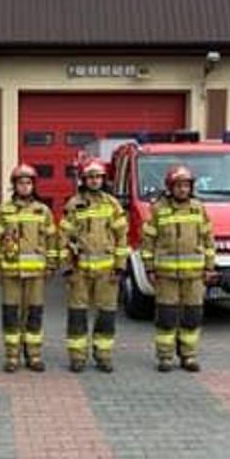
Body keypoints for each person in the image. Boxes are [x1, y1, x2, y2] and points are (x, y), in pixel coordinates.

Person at [139, 165, 216, 372]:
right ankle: (165, 357)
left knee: (192, 317)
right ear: (170, 187)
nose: (183, 190)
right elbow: (148, 242)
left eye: (186, 185)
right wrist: (149, 268)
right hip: (166, 275)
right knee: (166, 317)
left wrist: (209, 267)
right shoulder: (158, 210)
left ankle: (189, 356)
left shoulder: (198, 208)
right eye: (179, 186)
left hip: (195, 275)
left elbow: (208, 239)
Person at [58, 159, 128, 372]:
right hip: (79, 271)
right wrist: (67, 267)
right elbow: (63, 238)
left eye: (98, 177)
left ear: (104, 179)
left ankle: (103, 356)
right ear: (83, 179)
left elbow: (121, 238)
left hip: (107, 272)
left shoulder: (112, 205)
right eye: (90, 177)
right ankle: (77, 357)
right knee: (77, 314)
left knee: (106, 314)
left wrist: (119, 267)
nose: (94, 181)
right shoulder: (73, 205)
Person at [0, 163, 58, 372]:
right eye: (21, 183)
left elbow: (52, 240)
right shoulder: (3, 211)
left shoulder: (43, 211)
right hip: (10, 272)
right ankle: (12, 357)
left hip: (36, 273)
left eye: (28, 183)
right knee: (11, 314)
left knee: (34, 314)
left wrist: (51, 265)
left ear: (33, 185)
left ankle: (34, 356)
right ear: (14, 185)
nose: (25, 187)